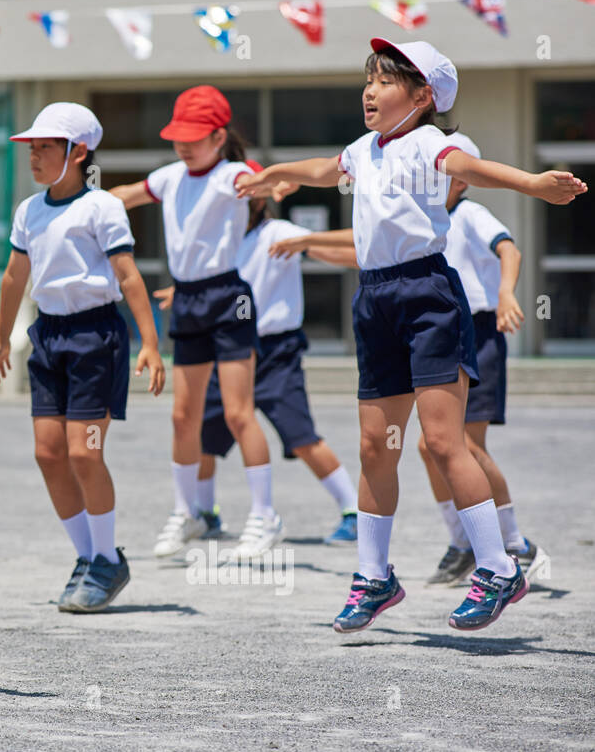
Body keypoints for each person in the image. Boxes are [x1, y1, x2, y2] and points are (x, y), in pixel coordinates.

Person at [236, 37, 585, 632]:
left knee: (446, 442)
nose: (370, 90)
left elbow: (474, 169)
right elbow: (325, 170)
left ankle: (500, 567)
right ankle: (374, 577)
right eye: (367, 78)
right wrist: (276, 173)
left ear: (423, 96)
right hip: (374, 300)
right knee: (377, 445)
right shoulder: (362, 149)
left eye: (386, 80)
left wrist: (533, 184)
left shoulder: (431, 144)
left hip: (427, 295)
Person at [267, 133, 547, 584]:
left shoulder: (470, 213)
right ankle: (460, 542)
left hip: (475, 327)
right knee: (418, 445)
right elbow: (362, 243)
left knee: (461, 445)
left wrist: (507, 292)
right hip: (404, 313)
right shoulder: (412, 208)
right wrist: (307, 241)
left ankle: (510, 543)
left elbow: (509, 248)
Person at [0, 102, 165, 613]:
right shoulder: (29, 210)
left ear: (78, 151)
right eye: (32, 147)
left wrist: (151, 343)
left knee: (85, 451)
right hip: (49, 335)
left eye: (45, 147)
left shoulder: (102, 207)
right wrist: (1, 338)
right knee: (48, 453)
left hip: (95, 334)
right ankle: (90, 559)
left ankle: (107, 556)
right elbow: (14, 277)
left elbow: (129, 277)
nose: (34, 156)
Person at [106, 85, 281, 560]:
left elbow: (263, 180)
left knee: (238, 412)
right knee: (183, 416)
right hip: (187, 300)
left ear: (219, 136)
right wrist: (81, 203)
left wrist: (273, 184)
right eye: (178, 135)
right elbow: (123, 195)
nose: (183, 144)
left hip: (229, 297)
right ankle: (189, 512)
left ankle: (265, 516)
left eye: (195, 136)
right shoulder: (169, 177)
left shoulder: (231, 175)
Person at [151, 189, 362, 550]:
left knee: (302, 436)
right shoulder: (224, 237)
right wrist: (180, 293)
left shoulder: (278, 232)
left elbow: (342, 253)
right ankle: (204, 513)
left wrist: (366, 256)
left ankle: (353, 511)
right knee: (204, 434)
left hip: (276, 351)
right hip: (229, 347)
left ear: (258, 202)